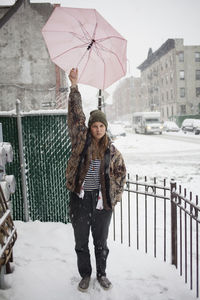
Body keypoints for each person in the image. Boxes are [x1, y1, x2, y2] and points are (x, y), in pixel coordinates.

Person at [66, 68, 126, 292]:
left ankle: (101, 274)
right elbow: (75, 117)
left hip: (102, 204)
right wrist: (74, 87)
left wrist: (113, 198)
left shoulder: (113, 152)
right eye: (95, 126)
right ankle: (85, 275)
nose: (98, 129)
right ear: (90, 128)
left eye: (102, 126)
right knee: (81, 242)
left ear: (105, 128)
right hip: (81, 200)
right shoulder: (81, 142)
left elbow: (121, 176)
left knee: (101, 243)